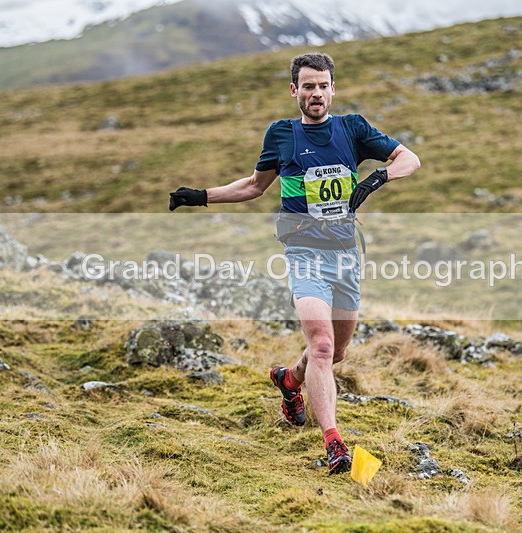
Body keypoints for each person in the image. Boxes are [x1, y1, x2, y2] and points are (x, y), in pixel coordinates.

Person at [169, 52, 420, 475]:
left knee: (335, 353)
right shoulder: (282, 135)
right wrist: (200, 195)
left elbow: (409, 159)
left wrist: (378, 177)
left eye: (322, 85)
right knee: (320, 344)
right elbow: (253, 186)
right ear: (295, 91)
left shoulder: (353, 128)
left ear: (333, 89)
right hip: (304, 253)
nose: (316, 93)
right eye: (308, 86)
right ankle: (334, 443)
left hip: (345, 255)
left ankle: (290, 381)